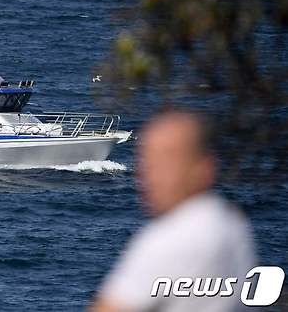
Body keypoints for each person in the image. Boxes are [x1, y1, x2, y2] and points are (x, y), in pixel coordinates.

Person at [91, 110, 256, 312]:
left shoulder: (174, 238)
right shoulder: (233, 225)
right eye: (146, 162)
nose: (147, 175)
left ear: (203, 168)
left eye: (165, 163)